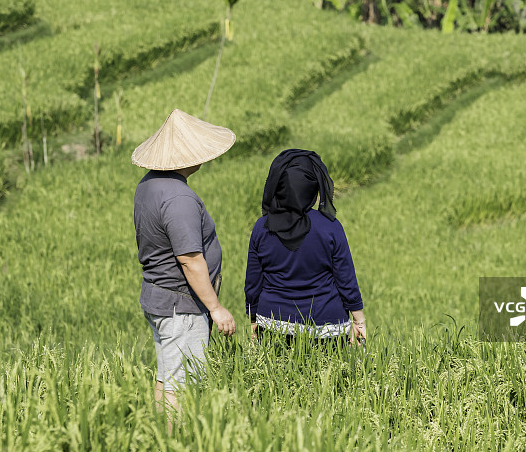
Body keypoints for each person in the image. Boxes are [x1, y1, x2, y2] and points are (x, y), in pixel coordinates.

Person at [132, 109, 237, 429]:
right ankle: (177, 439)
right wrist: (216, 308)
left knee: (167, 376)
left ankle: (159, 435)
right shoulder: (179, 197)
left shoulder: (148, 185)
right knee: (183, 384)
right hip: (181, 306)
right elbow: (190, 260)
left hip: (159, 297)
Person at [244, 149, 367, 346]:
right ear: (313, 188)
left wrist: (252, 318)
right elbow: (345, 278)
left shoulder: (263, 227)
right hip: (327, 327)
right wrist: (358, 319)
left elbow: (253, 280)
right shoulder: (330, 227)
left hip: (273, 324)